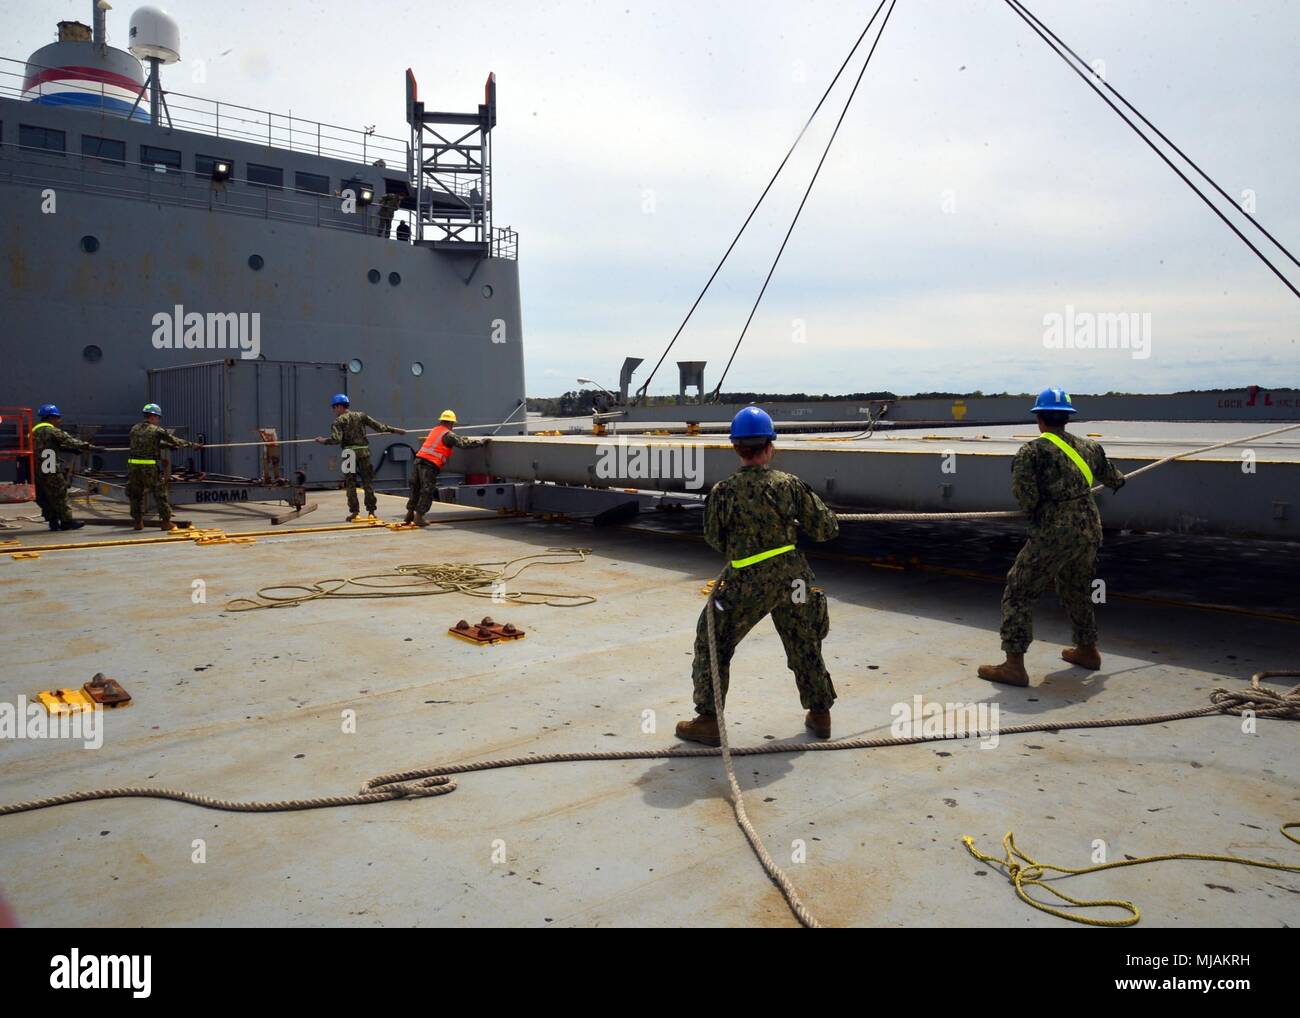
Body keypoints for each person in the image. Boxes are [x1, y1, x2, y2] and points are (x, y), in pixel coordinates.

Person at [675, 407, 840, 747]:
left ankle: (708, 721)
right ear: (770, 447)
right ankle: (820, 713)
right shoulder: (790, 486)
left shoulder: (723, 492)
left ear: (736, 447)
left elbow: (714, 539)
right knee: (804, 641)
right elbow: (826, 529)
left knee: (712, 642)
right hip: (794, 581)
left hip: (746, 582)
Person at [978, 387, 1126, 687]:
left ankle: (1013, 666)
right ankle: (1087, 650)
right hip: (1089, 530)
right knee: (1077, 588)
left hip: (1054, 533)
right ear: (1067, 419)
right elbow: (1115, 480)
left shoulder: (1031, 452)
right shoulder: (1090, 448)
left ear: (1039, 419)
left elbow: (1027, 500)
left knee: (1019, 590)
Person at [314, 394, 405, 521]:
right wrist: (395, 430)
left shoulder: (338, 421)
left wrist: (322, 440)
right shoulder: (361, 416)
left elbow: (336, 439)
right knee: (368, 483)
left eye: (334, 408)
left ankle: (355, 512)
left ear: (339, 406)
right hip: (363, 452)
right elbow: (379, 427)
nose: (334, 411)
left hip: (349, 454)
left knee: (351, 484)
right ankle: (371, 512)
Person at [405, 409, 487, 526]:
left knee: (415, 488)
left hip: (418, 461)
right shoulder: (448, 434)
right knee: (427, 490)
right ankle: (419, 517)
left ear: (441, 421)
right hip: (429, 464)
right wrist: (481, 442)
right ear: (451, 423)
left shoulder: (435, 430)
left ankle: (409, 514)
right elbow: (463, 444)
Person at [127, 403, 201, 531]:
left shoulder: (134, 428)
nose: (158, 420)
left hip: (133, 467)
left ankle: (138, 522)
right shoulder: (157, 430)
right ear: (153, 416)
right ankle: (166, 522)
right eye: (158, 417)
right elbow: (175, 440)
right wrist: (193, 445)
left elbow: (144, 444)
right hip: (148, 468)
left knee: (135, 494)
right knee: (160, 493)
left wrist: (163, 445)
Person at [31, 403, 100, 531]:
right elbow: (70, 441)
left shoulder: (33, 432)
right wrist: (90, 447)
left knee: (44, 496)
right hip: (50, 468)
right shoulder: (52, 431)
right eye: (57, 417)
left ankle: (52, 522)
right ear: (51, 418)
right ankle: (66, 521)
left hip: (36, 471)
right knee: (60, 494)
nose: (59, 420)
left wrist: (71, 451)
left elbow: (49, 447)